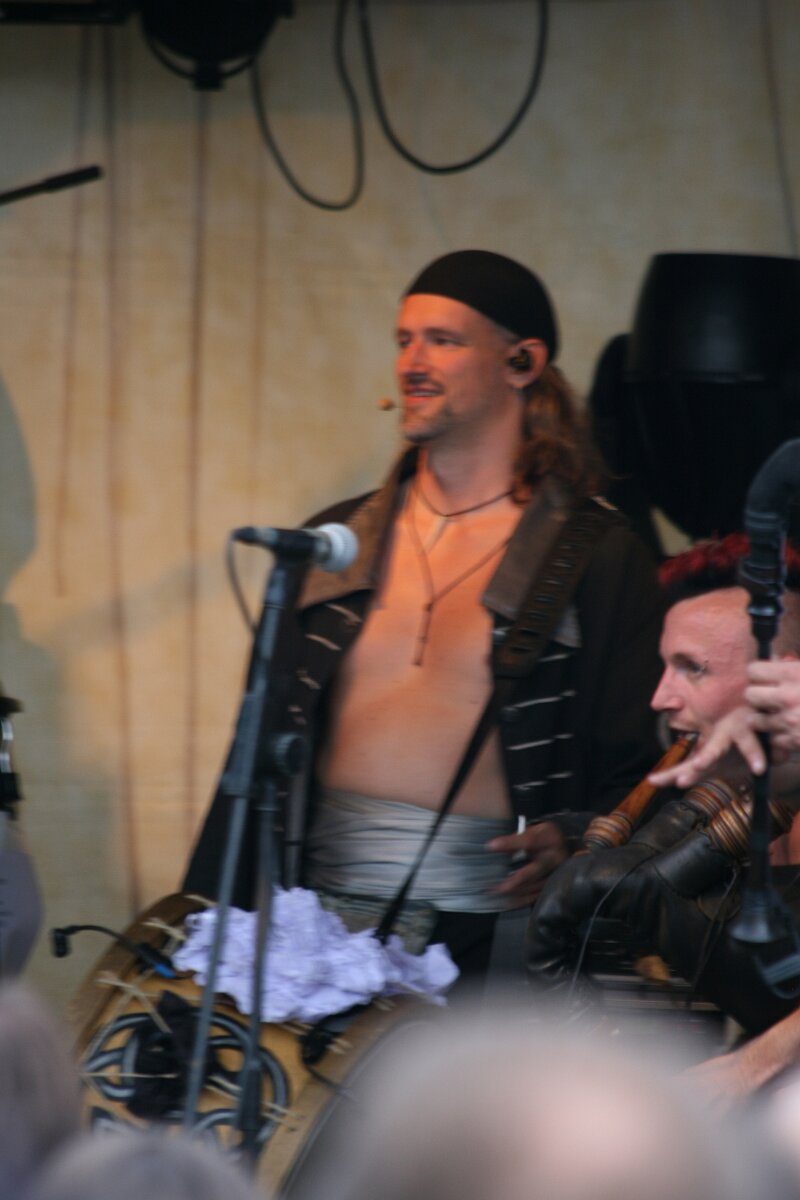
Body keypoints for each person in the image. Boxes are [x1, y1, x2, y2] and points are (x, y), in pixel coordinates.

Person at [184, 249, 663, 978]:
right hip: (310, 930)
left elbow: (645, 761)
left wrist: (576, 836)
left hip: (488, 944)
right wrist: (204, 924)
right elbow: (252, 761)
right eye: (404, 340)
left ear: (522, 362)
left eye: (443, 340)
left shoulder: (596, 556)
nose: (412, 362)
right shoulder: (337, 542)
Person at [527, 533, 800, 1034]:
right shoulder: (730, 795)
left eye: (692, 668)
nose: (659, 698)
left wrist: (745, 1069)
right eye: (666, 666)